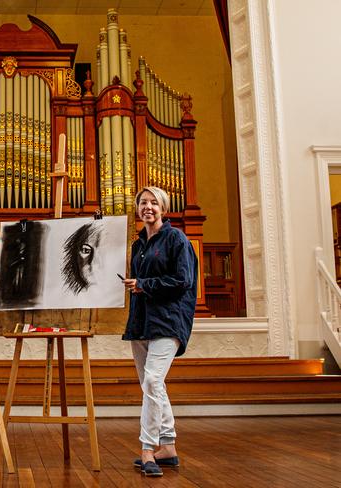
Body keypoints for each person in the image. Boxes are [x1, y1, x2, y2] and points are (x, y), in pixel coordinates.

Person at [121, 186, 198, 478]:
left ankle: (147, 450)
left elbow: (183, 280)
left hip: (168, 320)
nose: (148, 207)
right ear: (138, 209)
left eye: (154, 202)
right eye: (143, 202)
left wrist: (144, 284)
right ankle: (168, 447)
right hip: (142, 321)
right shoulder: (138, 244)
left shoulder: (176, 238)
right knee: (152, 384)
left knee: (153, 380)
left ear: (163, 209)